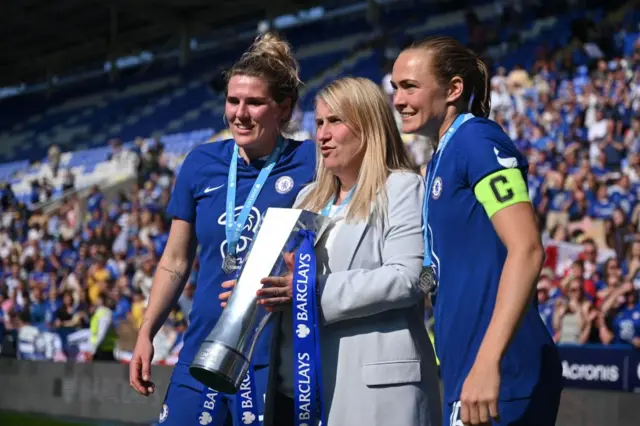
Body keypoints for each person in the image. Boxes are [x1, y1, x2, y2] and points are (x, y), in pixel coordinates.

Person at [222, 77, 442, 426]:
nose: (322, 135)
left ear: (369, 126)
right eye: (319, 123)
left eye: (335, 122)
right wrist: (258, 293)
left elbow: (409, 278)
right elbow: (286, 282)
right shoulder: (307, 198)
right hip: (297, 393)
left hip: (373, 392)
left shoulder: (401, 187)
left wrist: (311, 291)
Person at [129, 32, 316, 426]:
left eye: (255, 102)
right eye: (233, 101)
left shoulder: (312, 163)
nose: (240, 114)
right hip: (203, 347)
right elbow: (176, 261)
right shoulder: (201, 163)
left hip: (274, 356)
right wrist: (147, 331)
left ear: (284, 109)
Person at [391, 36, 563, 426]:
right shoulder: (440, 156)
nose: (398, 100)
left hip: (501, 374)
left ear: (453, 89)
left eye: (410, 86)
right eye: (395, 88)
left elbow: (528, 249)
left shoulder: (477, 139)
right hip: (466, 372)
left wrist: (487, 363)